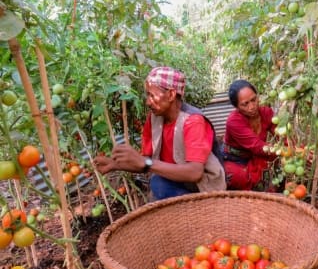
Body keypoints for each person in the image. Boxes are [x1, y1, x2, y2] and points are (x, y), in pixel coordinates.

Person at [94, 66, 226, 200]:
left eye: (152, 95)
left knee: (159, 184)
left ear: (171, 95)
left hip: (204, 188)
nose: (147, 102)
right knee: (158, 183)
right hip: (178, 183)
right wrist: (114, 164)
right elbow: (143, 163)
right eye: (147, 95)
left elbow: (195, 173)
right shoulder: (154, 120)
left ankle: (197, 211)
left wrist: (145, 162)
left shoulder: (193, 121)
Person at [222, 79, 277, 191]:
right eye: (245, 104)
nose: (252, 107)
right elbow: (257, 146)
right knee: (241, 179)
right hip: (234, 160)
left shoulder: (266, 113)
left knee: (272, 177)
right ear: (236, 106)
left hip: (255, 156)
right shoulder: (234, 121)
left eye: (254, 100)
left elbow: (282, 134)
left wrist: (294, 149)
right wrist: (286, 151)